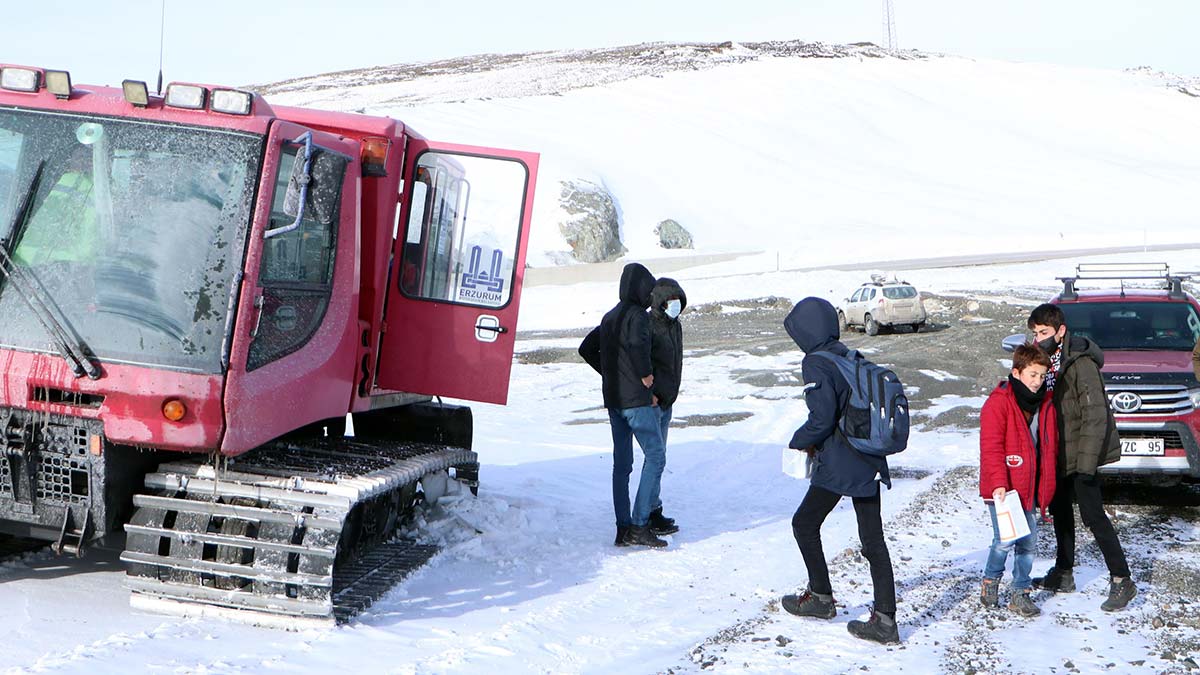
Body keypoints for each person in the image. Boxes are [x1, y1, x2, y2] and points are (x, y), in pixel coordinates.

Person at [779, 297, 899, 645]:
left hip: (840, 461)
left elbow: (821, 418)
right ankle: (886, 619)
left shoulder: (816, 362)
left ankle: (820, 598)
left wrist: (797, 441)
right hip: (868, 456)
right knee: (873, 540)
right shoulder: (845, 353)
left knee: (804, 523)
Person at [1027, 303, 1136, 611]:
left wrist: (1087, 464)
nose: (1039, 338)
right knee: (1060, 513)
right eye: (1035, 333)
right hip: (1057, 452)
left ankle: (1122, 579)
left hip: (1080, 453)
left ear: (1061, 331)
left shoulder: (1080, 362)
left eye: (1044, 332)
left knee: (1093, 516)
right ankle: (1063, 573)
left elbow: (1095, 415)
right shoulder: (1047, 361)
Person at [579, 262, 668, 548]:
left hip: (614, 400)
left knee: (622, 465)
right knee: (655, 455)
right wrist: (644, 376)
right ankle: (640, 525)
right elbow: (636, 345)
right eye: (649, 289)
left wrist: (610, 373)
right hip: (635, 402)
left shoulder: (609, 317)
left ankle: (622, 529)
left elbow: (586, 348)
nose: (650, 295)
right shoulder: (637, 317)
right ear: (641, 288)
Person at [978, 344, 1058, 617]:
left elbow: (1046, 447)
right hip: (1004, 488)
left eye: (1041, 376)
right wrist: (999, 482)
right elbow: (991, 448)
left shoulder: (1045, 403)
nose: (1037, 382)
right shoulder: (998, 403)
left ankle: (1020, 592)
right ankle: (991, 580)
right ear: (1016, 372)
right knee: (1004, 540)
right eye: (1032, 375)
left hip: (1029, 486)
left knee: (1029, 542)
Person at [646, 277, 687, 535]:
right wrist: (648, 392)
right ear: (660, 302)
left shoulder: (675, 325)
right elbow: (641, 361)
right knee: (655, 460)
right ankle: (646, 514)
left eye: (678, 301)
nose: (676, 306)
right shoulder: (649, 325)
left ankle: (653, 508)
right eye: (671, 301)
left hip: (667, 401)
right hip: (653, 402)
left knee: (659, 459)